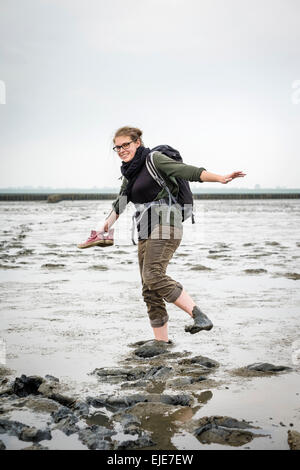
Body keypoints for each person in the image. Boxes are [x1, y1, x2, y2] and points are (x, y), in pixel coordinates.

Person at [78, 126, 246, 343]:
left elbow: (188, 171)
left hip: (167, 222)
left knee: (153, 275)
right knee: (149, 289)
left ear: (137, 142)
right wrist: (104, 226)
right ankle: (161, 342)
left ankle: (199, 316)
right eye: (117, 147)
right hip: (144, 227)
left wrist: (220, 178)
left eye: (125, 145)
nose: (121, 150)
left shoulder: (154, 159)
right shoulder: (129, 172)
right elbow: (121, 202)